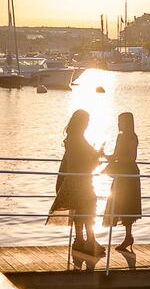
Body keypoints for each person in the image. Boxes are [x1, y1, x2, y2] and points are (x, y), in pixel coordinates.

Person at [47, 109, 104, 256]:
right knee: (89, 206)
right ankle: (90, 240)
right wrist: (97, 155)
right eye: (86, 122)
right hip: (81, 179)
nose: (87, 125)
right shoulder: (78, 139)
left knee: (79, 208)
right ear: (81, 122)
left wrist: (95, 155)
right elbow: (84, 159)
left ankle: (80, 240)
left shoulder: (74, 137)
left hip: (74, 178)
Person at [102, 112, 141, 251]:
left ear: (128, 122)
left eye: (121, 121)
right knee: (118, 202)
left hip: (129, 173)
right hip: (121, 173)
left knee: (127, 204)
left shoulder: (132, 137)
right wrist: (105, 156)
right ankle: (128, 237)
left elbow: (132, 158)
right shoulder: (120, 137)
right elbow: (116, 155)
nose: (118, 124)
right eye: (118, 121)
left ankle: (128, 237)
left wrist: (116, 160)